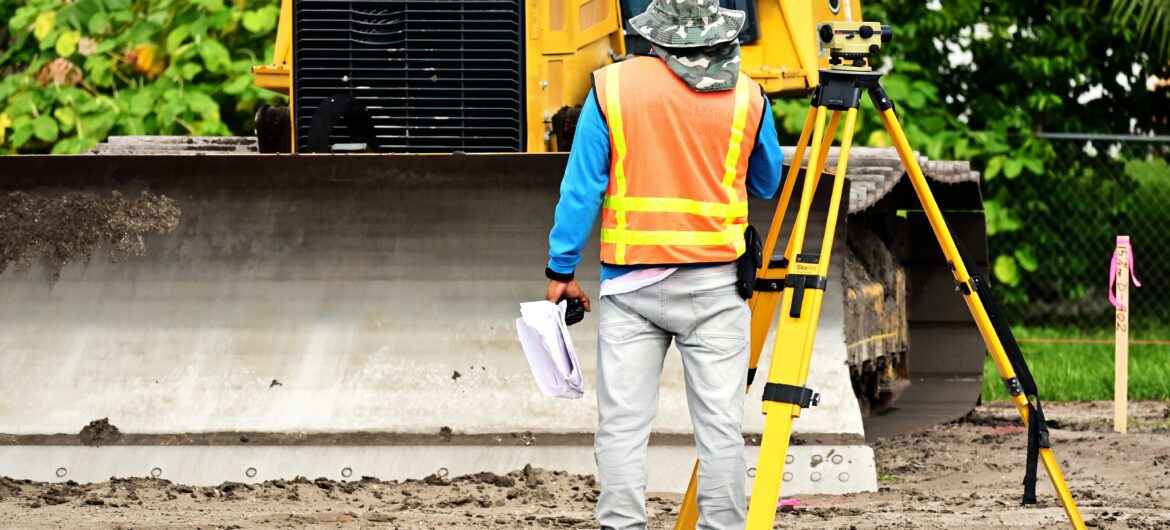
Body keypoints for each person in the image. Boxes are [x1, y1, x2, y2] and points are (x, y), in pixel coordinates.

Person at [542, 0, 783, 528]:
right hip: (717, 289)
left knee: (623, 426)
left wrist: (561, 270)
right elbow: (766, 183)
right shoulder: (749, 96)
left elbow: (582, 189)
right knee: (720, 428)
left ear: (656, 36)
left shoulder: (611, 88)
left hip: (630, 288)